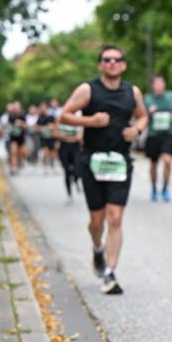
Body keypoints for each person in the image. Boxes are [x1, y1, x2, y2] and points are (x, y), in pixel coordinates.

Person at [59, 45, 148, 295]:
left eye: (117, 60)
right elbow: (64, 116)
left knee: (116, 217)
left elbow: (142, 116)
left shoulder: (133, 92)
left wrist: (137, 130)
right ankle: (97, 247)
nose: (112, 63)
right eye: (107, 60)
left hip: (120, 161)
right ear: (100, 64)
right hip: (92, 161)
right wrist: (91, 121)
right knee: (96, 221)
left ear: (124, 65)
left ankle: (110, 273)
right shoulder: (88, 90)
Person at [144, 74, 172, 202]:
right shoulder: (148, 99)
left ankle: (165, 188)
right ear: (153, 85)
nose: (159, 85)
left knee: (167, 161)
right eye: (157, 83)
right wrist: (149, 112)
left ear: (164, 84)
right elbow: (141, 115)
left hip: (167, 134)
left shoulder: (171, 96)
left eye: (161, 83)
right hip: (153, 135)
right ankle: (154, 188)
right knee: (154, 164)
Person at [56, 109, 83, 202]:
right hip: (64, 149)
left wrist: (65, 137)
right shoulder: (60, 121)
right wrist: (69, 137)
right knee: (66, 171)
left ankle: (75, 179)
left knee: (78, 169)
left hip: (75, 148)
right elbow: (56, 133)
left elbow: (79, 137)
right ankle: (69, 193)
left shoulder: (77, 121)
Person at [6, 102, 27, 175]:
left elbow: (26, 126)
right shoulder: (11, 116)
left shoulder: (23, 115)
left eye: (17, 108)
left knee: (21, 153)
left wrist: (21, 124)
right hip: (13, 137)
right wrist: (14, 125)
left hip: (21, 137)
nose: (16, 109)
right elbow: (8, 126)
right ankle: (13, 168)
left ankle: (19, 164)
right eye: (15, 108)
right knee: (13, 151)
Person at [36, 102, 58, 173]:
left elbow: (57, 125)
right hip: (44, 137)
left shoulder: (51, 117)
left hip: (51, 137)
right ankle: (45, 167)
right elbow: (36, 128)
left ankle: (52, 165)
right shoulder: (40, 118)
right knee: (45, 152)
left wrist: (52, 126)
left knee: (52, 153)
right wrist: (43, 128)